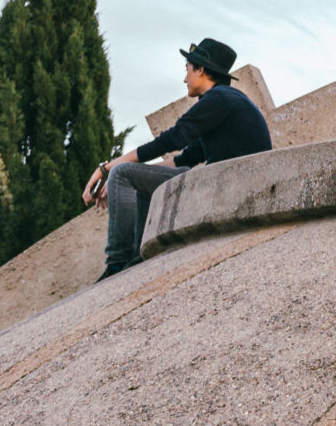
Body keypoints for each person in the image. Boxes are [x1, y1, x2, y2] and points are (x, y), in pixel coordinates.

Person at [83, 38, 271, 280]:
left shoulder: (219, 99)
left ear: (200, 70)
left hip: (229, 187)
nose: (185, 79)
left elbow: (169, 141)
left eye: (187, 70)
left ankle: (117, 264)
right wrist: (122, 184)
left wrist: (108, 169)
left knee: (122, 172)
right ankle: (136, 257)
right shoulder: (226, 102)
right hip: (227, 183)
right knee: (130, 176)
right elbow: (184, 159)